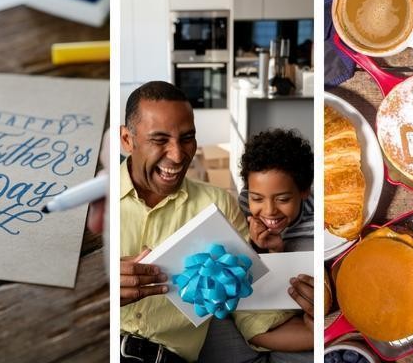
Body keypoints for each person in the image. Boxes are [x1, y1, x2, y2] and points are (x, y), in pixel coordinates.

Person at [119, 81, 312, 363]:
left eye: (187, 138)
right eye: (160, 140)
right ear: (127, 140)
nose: (177, 154)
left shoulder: (219, 206)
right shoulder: (98, 201)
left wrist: (314, 327)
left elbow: (251, 315)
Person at [240, 129, 315, 333]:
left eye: (283, 199)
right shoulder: (243, 207)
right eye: (257, 198)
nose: (269, 211)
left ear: (304, 190)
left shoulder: (317, 229)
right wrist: (259, 246)